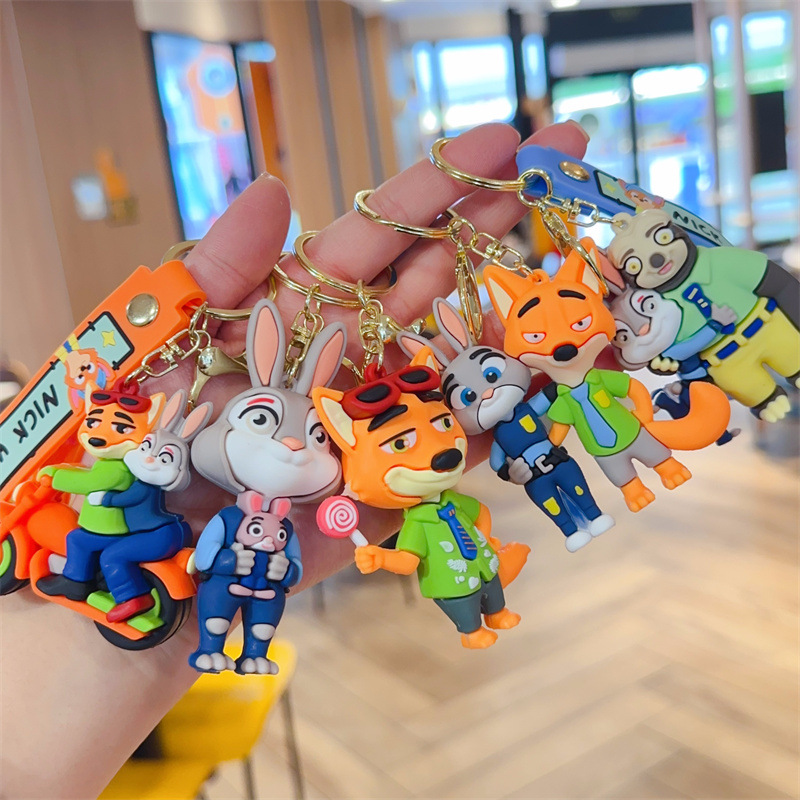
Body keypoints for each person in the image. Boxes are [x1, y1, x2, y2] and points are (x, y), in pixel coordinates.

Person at [1, 120, 589, 799]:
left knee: (139, 569)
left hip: (187, 550)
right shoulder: (189, 476)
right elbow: (181, 521)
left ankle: (160, 609)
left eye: (312, 435)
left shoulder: (249, 481)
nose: (290, 444)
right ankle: (180, 622)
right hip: (185, 551)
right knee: (136, 568)